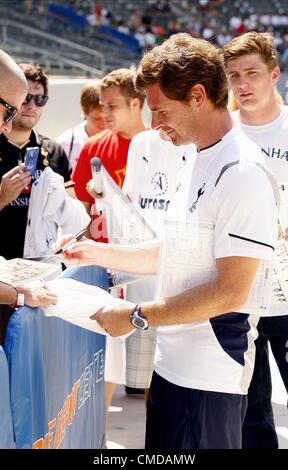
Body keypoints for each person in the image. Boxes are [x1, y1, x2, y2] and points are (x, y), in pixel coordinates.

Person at [56, 33, 278, 449]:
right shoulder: (196, 155)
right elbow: (174, 252)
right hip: (171, 365)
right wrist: (95, 250)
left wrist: (136, 315)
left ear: (198, 96)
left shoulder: (242, 172)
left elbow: (231, 291)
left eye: (161, 111)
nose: (155, 125)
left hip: (210, 377)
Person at [86, 129, 195, 401]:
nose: (156, 120)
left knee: (177, 388)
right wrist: (106, 198)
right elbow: (129, 206)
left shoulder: (202, 143)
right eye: (152, 107)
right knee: (148, 382)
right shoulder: (142, 143)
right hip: (141, 284)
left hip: (186, 288)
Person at [222, 31, 288, 449]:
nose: (242, 84)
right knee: (252, 415)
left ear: (275, 74)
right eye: (233, 76)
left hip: (287, 293)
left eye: (252, 73)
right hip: (240, 294)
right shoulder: (226, 136)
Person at [73, 67, 146, 414]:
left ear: (136, 103)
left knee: (151, 366)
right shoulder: (94, 147)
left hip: (148, 269)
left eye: (113, 106)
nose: (105, 114)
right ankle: (97, 435)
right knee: (106, 362)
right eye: (102, 106)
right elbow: (80, 212)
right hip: (106, 269)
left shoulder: (160, 145)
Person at [0, 51, 57, 345]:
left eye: (40, 99)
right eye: (11, 109)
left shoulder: (52, 150)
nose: (8, 124)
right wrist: (20, 294)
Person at [0, 63, 71, 260]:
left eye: (40, 99)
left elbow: (70, 212)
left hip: (44, 268)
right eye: (25, 98)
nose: (32, 105)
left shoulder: (54, 150)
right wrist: (2, 197)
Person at [57, 82, 106, 170]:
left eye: (107, 118)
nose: (104, 123)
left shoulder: (119, 138)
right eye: (97, 119)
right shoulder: (66, 143)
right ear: (84, 112)